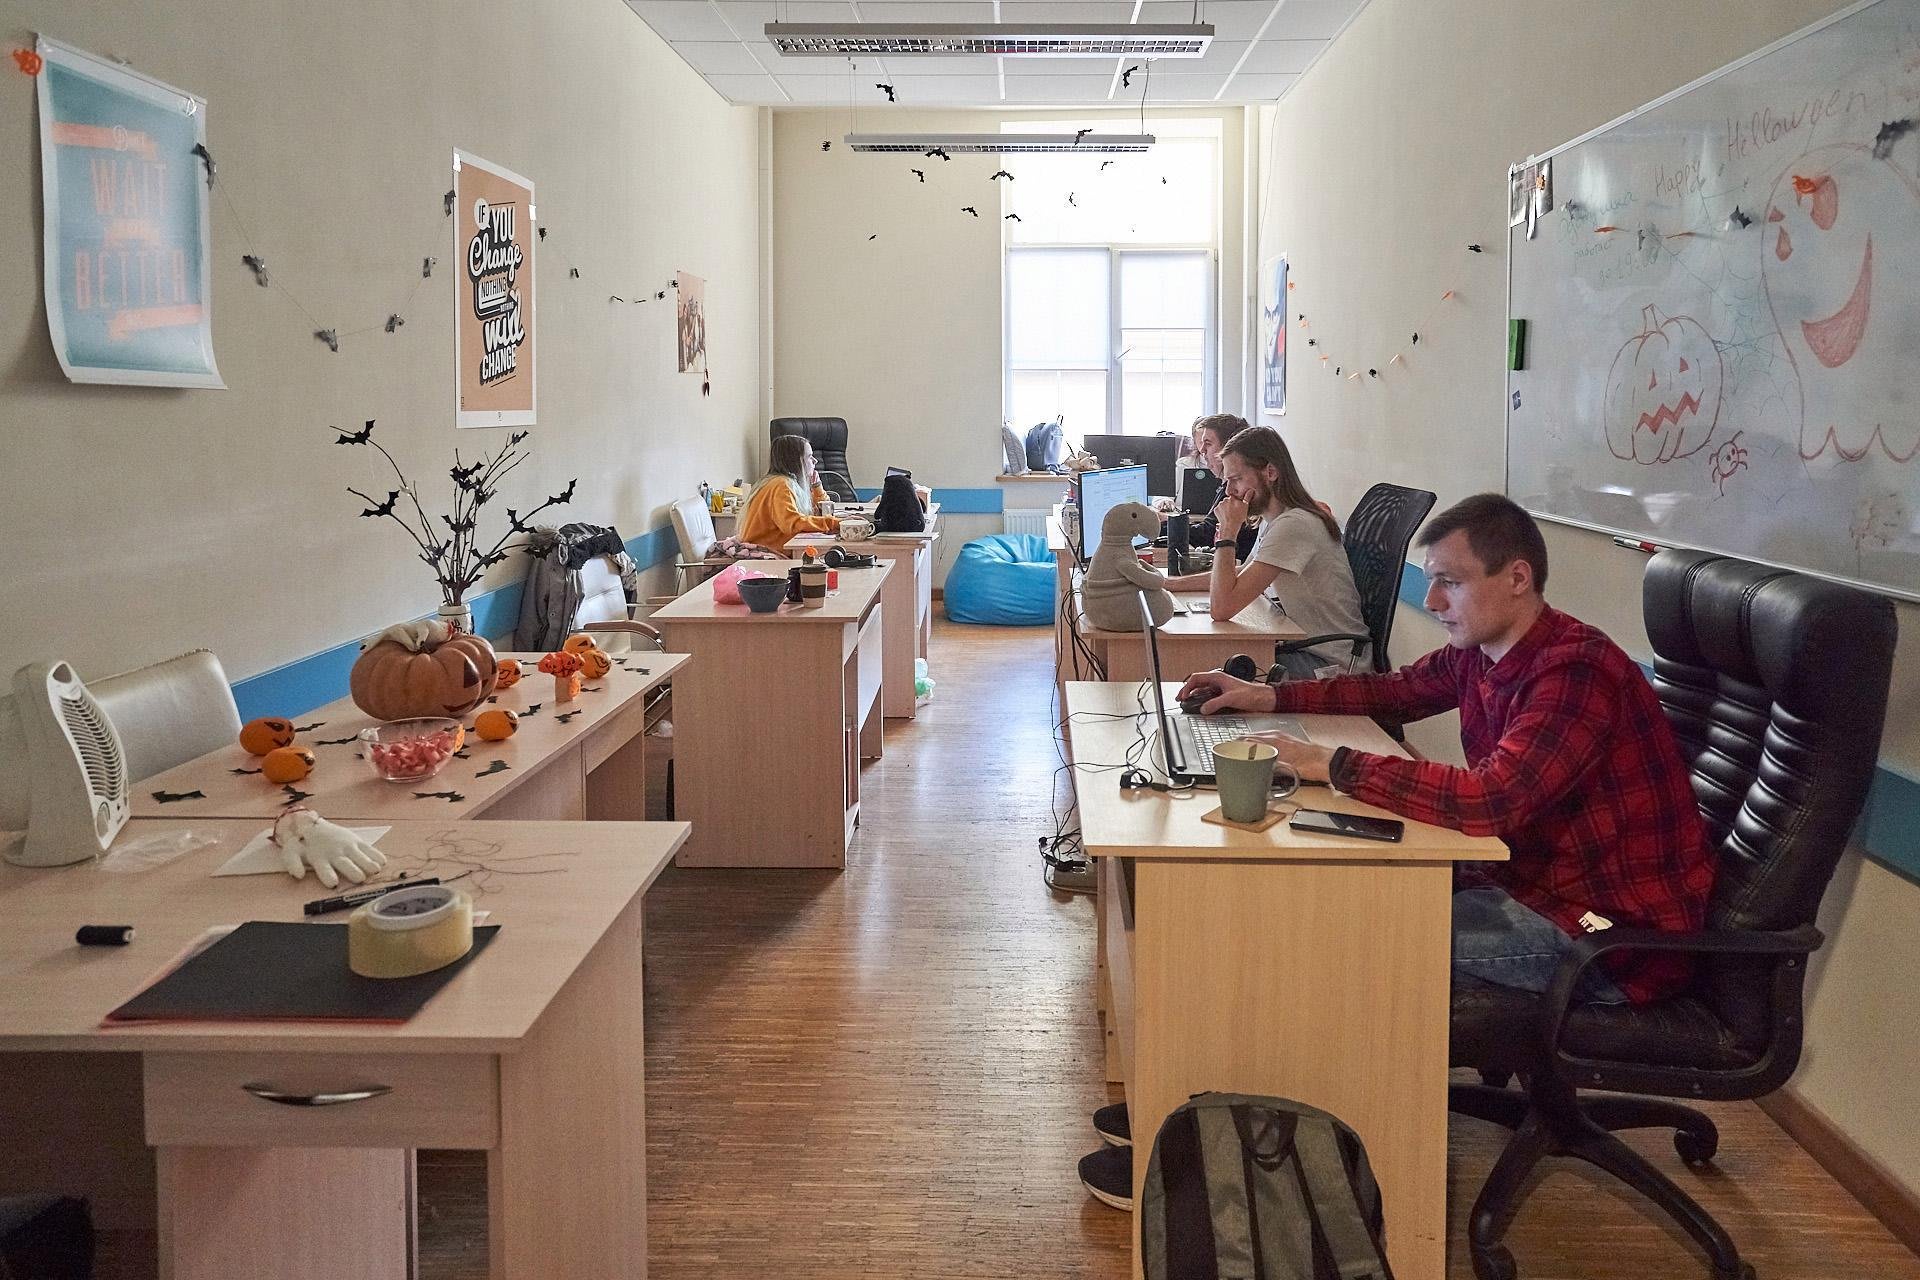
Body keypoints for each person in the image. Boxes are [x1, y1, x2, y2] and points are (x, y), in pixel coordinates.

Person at [1179, 493, 1717, 1006]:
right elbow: (1392, 691)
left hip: (1607, 934)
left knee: (1349, 933)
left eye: (1450, 583)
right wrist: (1268, 696)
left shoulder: (1576, 671)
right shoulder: (1482, 650)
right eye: (1433, 580)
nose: (1432, 600)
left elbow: (1490, 800)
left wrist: (1329, 763)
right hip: (1524, 880)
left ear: (1517, 578)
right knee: (1335, 894)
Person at [1162, 426, 1367, 662]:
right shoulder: (1274, 519)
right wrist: (1168, 584)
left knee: (1205, 664)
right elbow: (1241, 573)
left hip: (1329, 661)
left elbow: (1222, 608)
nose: (1229, 491)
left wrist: (1228, 532)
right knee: (1208, 661)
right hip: (1303, 647)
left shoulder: (1294, 525)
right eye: (1227, 481)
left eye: (1236, 479)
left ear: (1270, 472)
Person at [739, 434, 840, 551]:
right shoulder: (781, 485)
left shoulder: (783, 482)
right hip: (765, 551)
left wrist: (817, 486)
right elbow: (793, 524)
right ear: (795, 461)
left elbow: (823, 510)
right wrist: (835, 523)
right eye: (809, 456)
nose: (815, 461)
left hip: (771, 548)